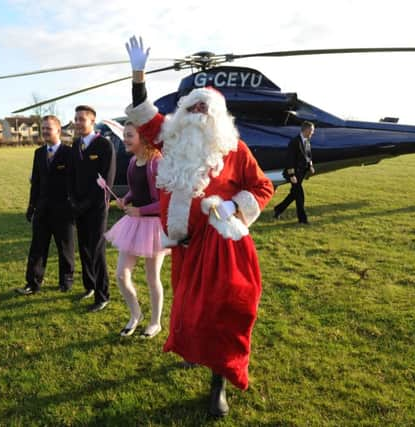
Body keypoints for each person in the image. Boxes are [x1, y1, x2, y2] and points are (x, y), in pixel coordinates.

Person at [124, 36, 274, 417]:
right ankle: (192, 350)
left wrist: (231, 206)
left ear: (218, 119)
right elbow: (143, 116)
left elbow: (263, 186)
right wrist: (138, 75)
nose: (198, 117)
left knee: (223, 313)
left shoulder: (235, 150)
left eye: (206, 112)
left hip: (222, 247)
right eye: (192, 109)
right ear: (182, 114)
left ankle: (218, 383)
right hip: (183, 246)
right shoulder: (171, 140)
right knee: (189, 307)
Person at [105, 121, 169, 338]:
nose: (124, 139)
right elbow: (135, 189)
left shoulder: (157, 163)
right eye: (124, 135)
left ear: (142, 138)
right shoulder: (133, 161)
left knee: (152, 278)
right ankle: (135, 315)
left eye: (129, 135)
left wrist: (140, 211)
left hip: (153, 227)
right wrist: (126, 199)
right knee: (122, 275)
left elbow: (164, 203)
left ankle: (155, 322)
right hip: (134, 224)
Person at [16, 115, 75, 295]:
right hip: (42, 210)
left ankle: (66, 281)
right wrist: (31, 207)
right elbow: (36, 182)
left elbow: (75, 183)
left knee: (65, 248)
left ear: (58, 130)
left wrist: (73, 206)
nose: (45, 132)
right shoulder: (39, 153)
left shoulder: (69, 153)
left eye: (48, 128)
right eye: (43, 129)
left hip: (63, 211)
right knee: (37, 248)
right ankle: (32, 283)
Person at [69, 105, 116, 312]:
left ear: (92, 121)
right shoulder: (75, 144)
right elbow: (71, 176)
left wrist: (88, 203)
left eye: (82, 119)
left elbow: (107, 180)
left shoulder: (104, 145)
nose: (78, 123)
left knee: (97, 251)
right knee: (85, 249)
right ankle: (89, 286)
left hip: (96, 208)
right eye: (76, 119)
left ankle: (102, 295)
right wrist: (73, 201)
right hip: (78, 207)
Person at [273, 121, 316, 224]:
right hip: (294, 174)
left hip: (301, 173)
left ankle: (278, 209)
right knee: (300, 196)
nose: (313, 133)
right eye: (312, 131)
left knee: (293, 194)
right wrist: (292, 175)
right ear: (306, 130)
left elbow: (308, 156)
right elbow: (290, 160)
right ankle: (302, 220)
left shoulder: (307, 141)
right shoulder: (294, 142)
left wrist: (310, 166)